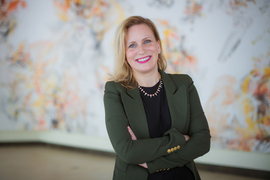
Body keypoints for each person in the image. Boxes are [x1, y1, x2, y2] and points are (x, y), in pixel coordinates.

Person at [103, 16, 211, 180]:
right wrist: (180, 139)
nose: (141, 50)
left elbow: (202, 141)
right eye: (132, 45)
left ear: (158, 46)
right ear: (124, 54)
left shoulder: (184, 84)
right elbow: (127, 151)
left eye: (147, 41)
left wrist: (154, 163)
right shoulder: (114, 91)